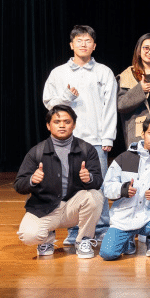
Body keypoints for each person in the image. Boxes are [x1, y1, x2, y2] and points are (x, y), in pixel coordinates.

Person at [42, 25, 116, 244]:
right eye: (79, 40)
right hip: (66, 140)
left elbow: (110, 107)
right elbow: (49, 103)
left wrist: (108, 137)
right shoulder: (58, 73)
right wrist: (66, 97)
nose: (83, 44)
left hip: (96, 139)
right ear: (71, 44)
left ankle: (101, 228)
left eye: (88, 41)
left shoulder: (104, 72)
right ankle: (74, 231)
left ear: (94, 45)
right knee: (70, 185)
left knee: (97, 185)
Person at [14, 105, 105, 258]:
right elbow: (19, 185)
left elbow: (98, 182)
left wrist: (89, 178)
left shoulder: (87, 149)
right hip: (45, 207)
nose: (62, 125)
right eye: (57, 122)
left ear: (74, 125)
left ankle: (84, 240)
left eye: (67, 122)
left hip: (72, 207)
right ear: (48, 126)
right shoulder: (36, 151)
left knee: (95, 196)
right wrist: (31, 180)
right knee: (28, 235)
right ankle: (47, 240)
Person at [100, 118, 150, 260]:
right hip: (123, 218)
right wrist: (122, 189)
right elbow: (107, 187)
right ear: (143, 134)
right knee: (108, 254)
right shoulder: (124, 158)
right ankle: (128, 240)